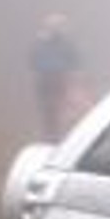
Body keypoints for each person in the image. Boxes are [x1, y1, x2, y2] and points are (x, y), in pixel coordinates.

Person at [28, 12, 83, 141]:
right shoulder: (40, 43)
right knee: (48, 111)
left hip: (61, 81)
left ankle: (62, 136)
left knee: (62, 110)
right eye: (53, 26)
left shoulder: (67, 43)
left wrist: (74, 82)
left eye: (59, 26)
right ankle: (50, 136)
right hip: (45, 82)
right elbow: (32, 62)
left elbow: (76, 63)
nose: (57, 29)